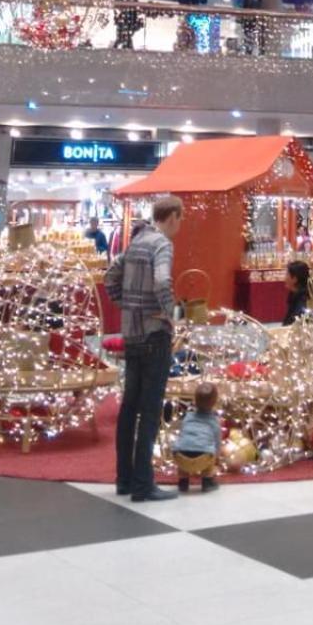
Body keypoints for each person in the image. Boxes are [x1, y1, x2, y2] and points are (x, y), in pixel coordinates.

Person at [104, 195, 183, 502]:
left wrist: (127, 306)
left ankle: (124, 478)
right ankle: (143, 483)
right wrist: (170, 313)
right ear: (173, 216)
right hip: (154, 336)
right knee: (150, 411)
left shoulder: (137, 241)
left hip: (132, 336)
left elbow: (111, 276)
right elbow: (163, 281)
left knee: (129, 409)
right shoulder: (162, 244)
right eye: (181, 219)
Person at [172, 381, 222, 492]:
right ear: (215, 402)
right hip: (203, 458)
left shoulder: (188, 417)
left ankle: (183, 482)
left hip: (180, 457)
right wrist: (217, 457)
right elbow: (217, 443)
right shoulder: (214, 421)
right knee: (211, 452)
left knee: (183, 446)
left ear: (194, 401)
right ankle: (207, 481)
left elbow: (182, 434)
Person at [282, 260, 313, 324]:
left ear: (294, 279)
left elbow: (296, 323)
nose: (284, 278)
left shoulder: (303, 300)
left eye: (287, 274)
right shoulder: (297, 294)